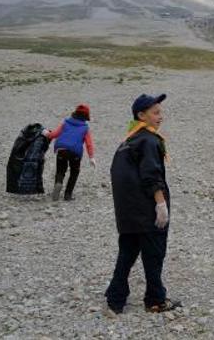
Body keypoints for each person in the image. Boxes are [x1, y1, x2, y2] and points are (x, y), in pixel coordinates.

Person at [106, 94, 180, 314]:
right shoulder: (149, 140)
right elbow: (151, 175)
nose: (161, 117)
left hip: (128, 213)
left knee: (127, 253)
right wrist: (160, 204)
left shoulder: (129, 140)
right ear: (141, 115)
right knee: (154, 254)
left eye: (160, 112)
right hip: (146, 211)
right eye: (155, 113)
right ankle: (155, 300)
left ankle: (114, 300)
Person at [42, 104, 96, 201]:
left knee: (60, 170)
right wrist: (91, 157)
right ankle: (68, 195)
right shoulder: (85, 128)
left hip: (61, 149)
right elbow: (89, 144)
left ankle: (58, 182)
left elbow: (55, 134)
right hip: (75, 152)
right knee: (74, 172)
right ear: (86, 117)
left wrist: (46, 133)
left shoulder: (65, 123)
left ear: (74, 113)